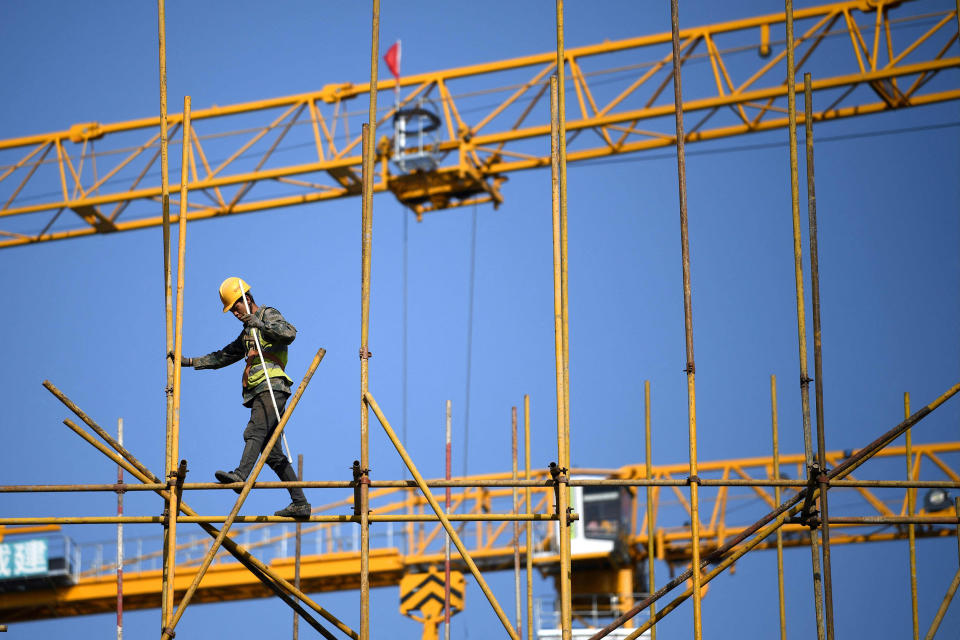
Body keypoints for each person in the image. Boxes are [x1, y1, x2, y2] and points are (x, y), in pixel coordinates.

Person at [176, 277, 310, 518]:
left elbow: (289, 333)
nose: (235, 313)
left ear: (246, 299)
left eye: (235, 307)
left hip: (272, 386)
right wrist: (190, 362)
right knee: (272, 453)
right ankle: (300, 503)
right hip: (259, 389)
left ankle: (240, 475)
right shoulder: (247, 332)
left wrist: (259, 324)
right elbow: (224, 356)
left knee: (254, 432)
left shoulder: (268, 315)